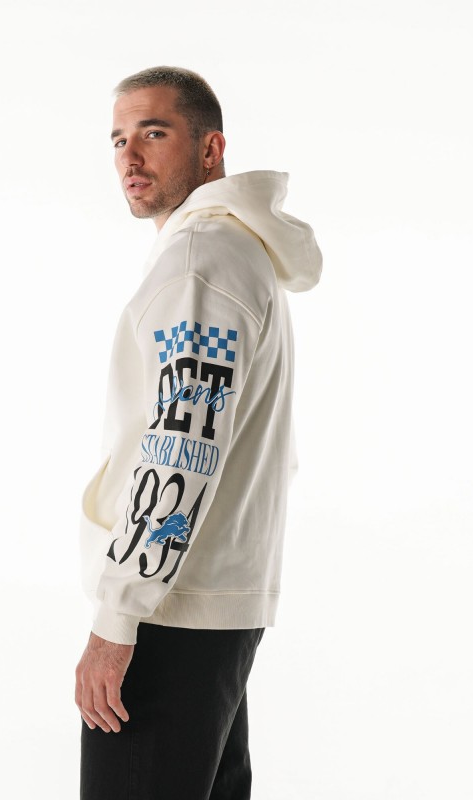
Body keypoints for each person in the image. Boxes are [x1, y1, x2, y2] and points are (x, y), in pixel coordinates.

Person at [75, 66, 322, 799]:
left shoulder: (200, 261)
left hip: (171, 608)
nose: (129, 156)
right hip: (211, 600)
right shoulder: (237, 253)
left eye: (153, 132)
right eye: (118, 138)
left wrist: (118, 616)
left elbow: (183, 446)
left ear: (211, 148)